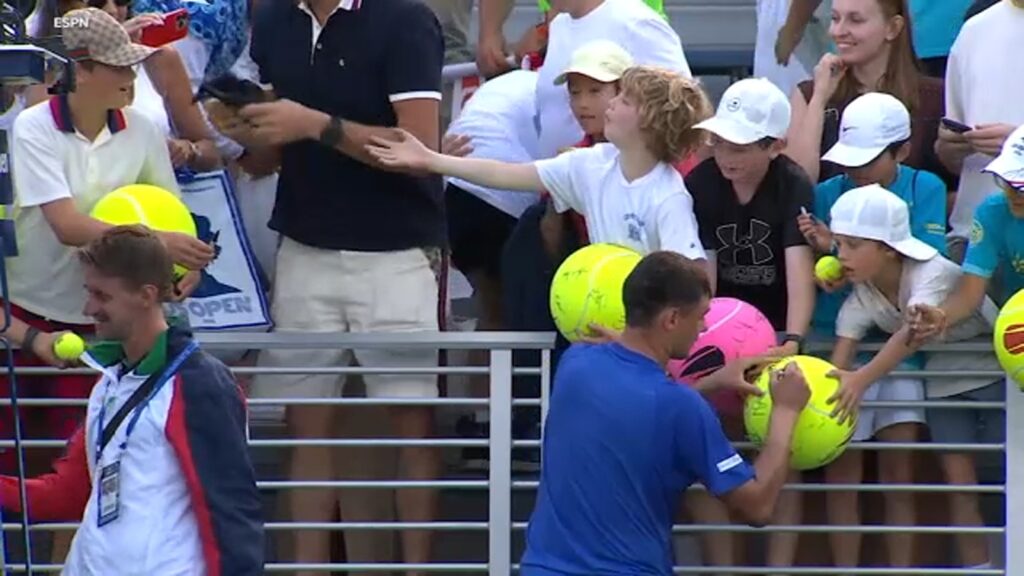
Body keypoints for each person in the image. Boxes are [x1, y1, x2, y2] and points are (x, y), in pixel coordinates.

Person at [213, 0, 447, 571]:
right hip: (303, 247)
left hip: (396, 253)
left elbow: (417, 150)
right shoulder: (272, 20)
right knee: (306, 424)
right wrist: (243, 129)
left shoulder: (407, 19)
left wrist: (312, 124)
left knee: (411, 425)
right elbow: (267, 157)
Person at [5, 3, 212, 507]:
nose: (131, 74)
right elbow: (68, 226)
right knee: (10, 473)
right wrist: (157, 242)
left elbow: (171, 220)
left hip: (98, 326)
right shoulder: (32, 126)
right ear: (79, 70)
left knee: (80, 483)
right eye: (119, 65)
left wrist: (182, 269)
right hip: (22, 318)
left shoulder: (142, 129)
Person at [518, 250, 810, 575]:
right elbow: (757, 505)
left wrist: (709, 382)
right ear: (671, 319)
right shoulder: (682, 409)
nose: (703, 328)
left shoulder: (576, 363)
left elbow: (640, 407)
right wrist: (784, 411)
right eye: (700, 316)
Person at [0, 225, 263, 574]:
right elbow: (68, 491)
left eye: (102, 296)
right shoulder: (109, 379)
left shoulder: (200, 384)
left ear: (146, 295)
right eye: (88, 292)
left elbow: (230, 510)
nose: (88, 307)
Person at [366, 65, 709, 262]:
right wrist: (430, 159)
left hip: (648, 337)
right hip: (597, 329)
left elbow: (689, 273)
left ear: (648, 122)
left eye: (624, 99)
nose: (610, 104)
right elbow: (504, 174)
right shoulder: (590, 165)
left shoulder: (668, 195)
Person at [821, 183, 993, 571]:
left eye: (852, 244)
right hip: (947, 376)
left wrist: (860, 380)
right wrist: (828, 397)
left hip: (1000, 370)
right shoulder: (862, 294)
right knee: (959, 486)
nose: (840, 255)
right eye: (838, 244)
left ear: (887, 247)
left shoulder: (929, 272)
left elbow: (911, 333)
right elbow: (841, 358)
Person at [684, 76, 815, 572]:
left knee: (785, 452)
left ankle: (778, 568)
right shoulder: (701, 182)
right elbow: (705, 271)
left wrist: (793, 341)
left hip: (777, 328)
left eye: (740, 145)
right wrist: (707, 339)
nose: (726, 155)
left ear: (775, 146)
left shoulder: (793, 184)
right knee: (709, 445)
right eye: (719, 141)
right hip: (718, 330)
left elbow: (798, 271)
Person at [909, 124, 1024, 573]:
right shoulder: (992, 213)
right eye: (1006, 180)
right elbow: (971, 291)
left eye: (1022, 183)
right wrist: (942, 316)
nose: (1012, 191)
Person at [786, 0, 949, 186]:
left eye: (855, 20)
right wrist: (819, 99)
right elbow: (796, 187)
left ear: (893, 28)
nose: (838, 31)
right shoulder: (810, 94)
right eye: (835, 18)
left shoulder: (935, 98)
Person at [933, 0, 1024, 264]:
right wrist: (950, 148)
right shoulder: (974, 31)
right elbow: (953, 159)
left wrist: (1017, 144)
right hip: (975, 241)